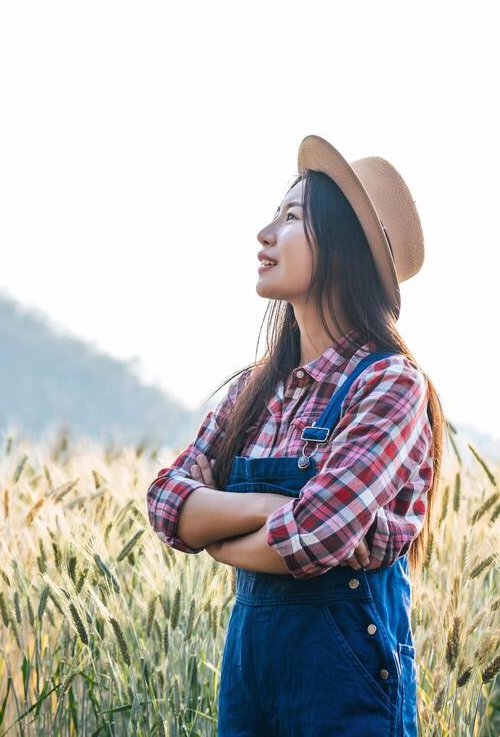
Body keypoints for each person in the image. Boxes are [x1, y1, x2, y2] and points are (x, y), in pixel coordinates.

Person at [144, 134, 446, 736]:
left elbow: (318, 534)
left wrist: (216, 533)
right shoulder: (253, 393)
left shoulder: (388, 385)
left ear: (343, 249)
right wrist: (269, 506)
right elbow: (163, 502)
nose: (264, 234)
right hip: (249, 681)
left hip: (346, 688)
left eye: (290, 218)